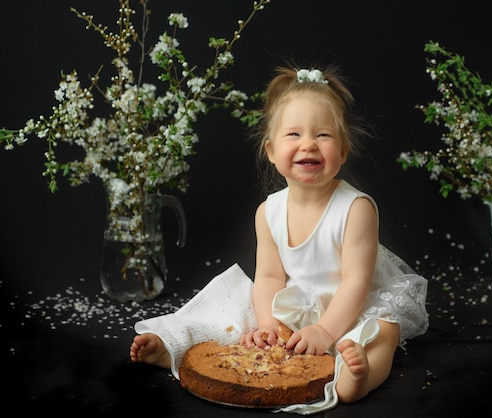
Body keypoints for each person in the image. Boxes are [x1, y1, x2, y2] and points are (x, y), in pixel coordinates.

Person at [129, 64, 429, 412]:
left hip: (351, 305)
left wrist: (326, 332)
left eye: (323, 135)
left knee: (382, 333)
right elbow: (270, 276)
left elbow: (356, 282)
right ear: (271, 151)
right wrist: (269, 326)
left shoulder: (356, 209)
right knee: (231, 314)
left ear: (344, 151)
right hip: (295, 305)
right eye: (294, 135)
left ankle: (358, 378)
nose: (309, 145)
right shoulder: (268, 212)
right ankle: (173, 348)